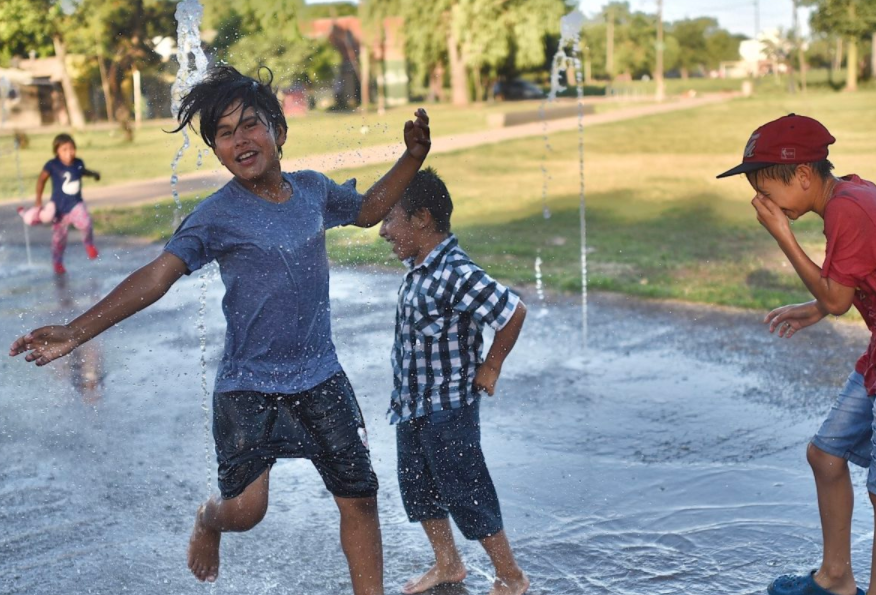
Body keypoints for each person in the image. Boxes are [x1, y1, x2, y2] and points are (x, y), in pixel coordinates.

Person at [9, 65, 431, 595]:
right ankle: (209, 519)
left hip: (320, 377)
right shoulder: (217, 216)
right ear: (216, 150)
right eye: (224, 134)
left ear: (279, 130)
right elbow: (157, 276)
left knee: (360, 497)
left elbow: (369, 210)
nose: (240, 140)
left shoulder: (312, 193)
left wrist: (413, 156)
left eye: (250, 125)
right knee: (247, 510)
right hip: (248, 387)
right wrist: (75, 332)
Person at [717, 113, 876, 595]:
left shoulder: (849, 209)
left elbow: (837, 298)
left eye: (764, 186)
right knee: (826, 454)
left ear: (804, 175)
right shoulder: (851, 194)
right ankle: (835, 579)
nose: (759, 200)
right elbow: (846, 289)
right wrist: (816, 309)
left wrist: (782, 236)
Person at [378, 168, 529, 595]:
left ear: (422, 218)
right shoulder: (420, 268)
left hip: (448, 409)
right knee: (418, 487)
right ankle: (448, 562)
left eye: (391, 219)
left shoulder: (456, 272)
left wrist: (492, 365)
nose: (384, 231)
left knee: (466, 489)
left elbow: (512, 311)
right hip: (412, 406)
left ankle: (511, 576)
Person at [35, 133, 101, 275]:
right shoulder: (52, 165)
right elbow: (41, 180)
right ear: (56, 151)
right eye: (64, 149)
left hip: (75, 204)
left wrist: (94, 174)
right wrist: (38, 201)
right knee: (58, 239)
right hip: (58, 208)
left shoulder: (78, 163)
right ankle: (57, 262)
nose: (69, 153)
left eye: (71, 148)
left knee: (86, 223)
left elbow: (83, 171)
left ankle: (89, 244)